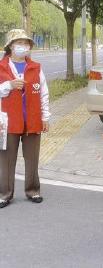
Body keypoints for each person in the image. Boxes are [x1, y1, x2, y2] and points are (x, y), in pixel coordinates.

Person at [0, 29, 50, 209]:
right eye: (20, 43)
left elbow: (43, 93)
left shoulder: (36, 67)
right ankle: (4, 194)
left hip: (33, 120)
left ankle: (33, 190)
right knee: (6, 159)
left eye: (26, 43)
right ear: (11, 46)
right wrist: (8, 85)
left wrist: (45, 116)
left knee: (32, 158)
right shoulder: (1, 67)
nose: (24, 46)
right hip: (8, 122)